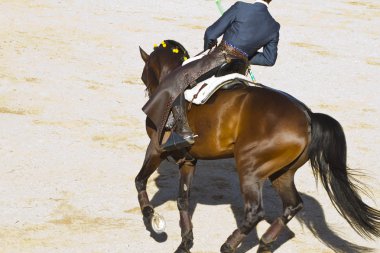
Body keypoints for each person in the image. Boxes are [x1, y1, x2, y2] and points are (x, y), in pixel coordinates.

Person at [142, 0, 280, 152]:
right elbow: (269, 59)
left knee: (176, 79)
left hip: (218, 59)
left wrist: (208, 50)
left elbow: (211, 33)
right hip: (240, 68)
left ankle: (183, 131)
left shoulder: (241, 7)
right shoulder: (274, 26)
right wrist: (244, 55)